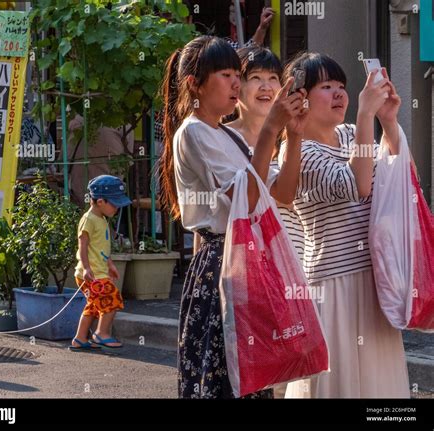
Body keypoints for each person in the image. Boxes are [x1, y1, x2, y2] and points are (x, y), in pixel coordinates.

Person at [160, 35, 307, 398]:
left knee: (249, 379)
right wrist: (271, 129)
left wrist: (295, 135)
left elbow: (283, 196)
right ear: (195, 84)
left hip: (244, 262)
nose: (236, 83)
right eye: (226, 74)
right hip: (221, 265)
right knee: (223, 378)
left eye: (236, 74)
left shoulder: (226, 135)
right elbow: (248, 200)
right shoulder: (193, 132)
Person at [280, 52, 410, 398]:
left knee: (379, 385)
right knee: (337, 383)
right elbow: (358, 184)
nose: (339, 94)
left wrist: (390, 122)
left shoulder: (354, 133)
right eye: (326, 86)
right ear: (299, 97)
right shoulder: (298, 152)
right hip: (332, 282)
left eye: (342, 86)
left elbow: (395, 176)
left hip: (374, 278)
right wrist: (368, 114)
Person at [226, 46, 306, 262]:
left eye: (273, 78)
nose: (266, 87)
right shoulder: (222, 137)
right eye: (255, 77)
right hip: (241, 257)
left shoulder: (288, 136)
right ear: (236, 86)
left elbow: (286, 195)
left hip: (288, 257)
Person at [70, 175, 131, 351]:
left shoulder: (101, 219)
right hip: (92, 275)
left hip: (98, 272)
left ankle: (80, 338)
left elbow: (100, 248)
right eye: (115, 204)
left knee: (94, 306)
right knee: (113, 299)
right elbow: (83, 245)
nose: (117, 209)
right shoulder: (89, 219)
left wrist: (110, 264)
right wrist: (87, 268)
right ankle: (101, 333)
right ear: (101, 201)